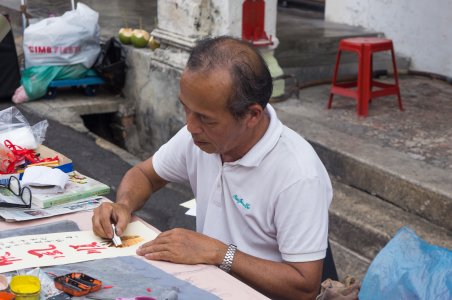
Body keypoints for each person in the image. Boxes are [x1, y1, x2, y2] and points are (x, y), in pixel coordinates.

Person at [92, 36, 332, 300]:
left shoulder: (298, 174)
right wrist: (124, 205)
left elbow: (305, 285)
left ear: (252, 115)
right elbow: (145, 174)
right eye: (186, 109)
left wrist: (219, 253)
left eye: (206, 119)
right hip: (208, 285)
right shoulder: (199, 138)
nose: (191, 126)